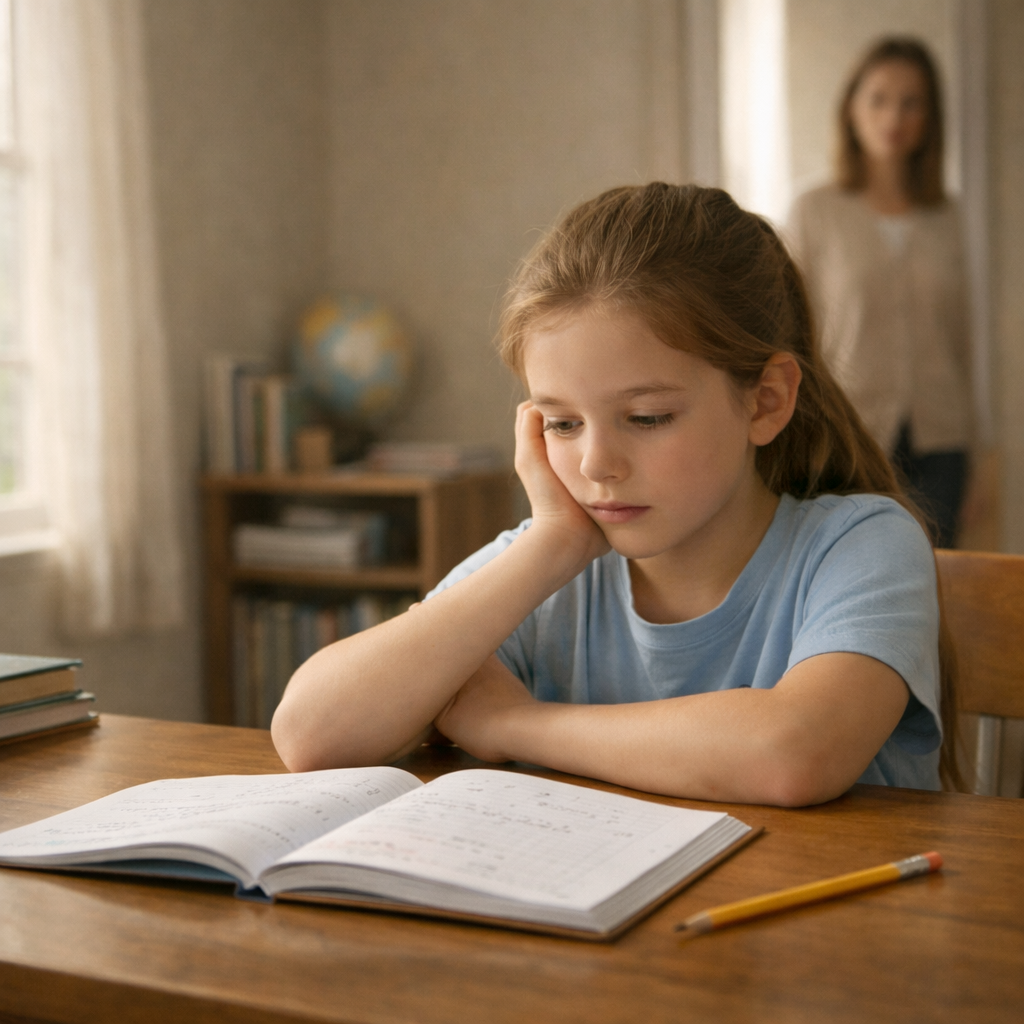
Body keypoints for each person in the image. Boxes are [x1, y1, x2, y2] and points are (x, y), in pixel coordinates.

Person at [272, 183, 961, 805]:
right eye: (563, 423)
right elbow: (310, 735)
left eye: (647, 418)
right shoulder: (553, 562)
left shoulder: (863, 543)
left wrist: (516, 724)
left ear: (766, 401)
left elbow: (792, 754)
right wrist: (550, 546)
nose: (597, 463)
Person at [786, 37, 974, 549]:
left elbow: (961, 335)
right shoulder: (814, 210)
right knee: (860, 568)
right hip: (851, 432)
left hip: (942, 437)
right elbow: (790, 325)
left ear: (930, 117)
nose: (894, 115)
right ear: (851, 107)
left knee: (938, 574)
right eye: (879, 98)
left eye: (911, 102)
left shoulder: (948, 217)